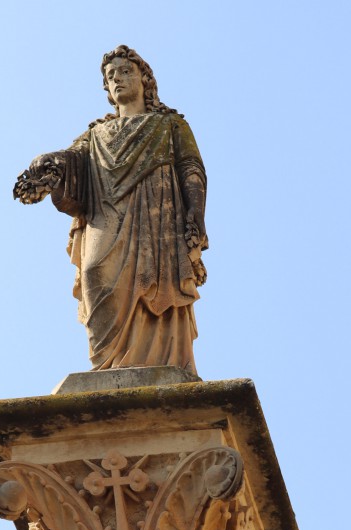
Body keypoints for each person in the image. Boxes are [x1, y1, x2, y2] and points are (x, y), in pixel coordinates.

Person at [14, 45, 208, 373]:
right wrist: (48, 165)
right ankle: (107, 368)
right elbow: (72, 158)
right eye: (110, 75)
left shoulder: (169, 124)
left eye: (125, 71)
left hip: (154, 221)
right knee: (94, 275)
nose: (117, 78)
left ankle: (161, 365)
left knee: (155, 287)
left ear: (145, 79)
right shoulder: (95, 134)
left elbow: (191, 167)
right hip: (105, 218)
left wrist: (195, 211)